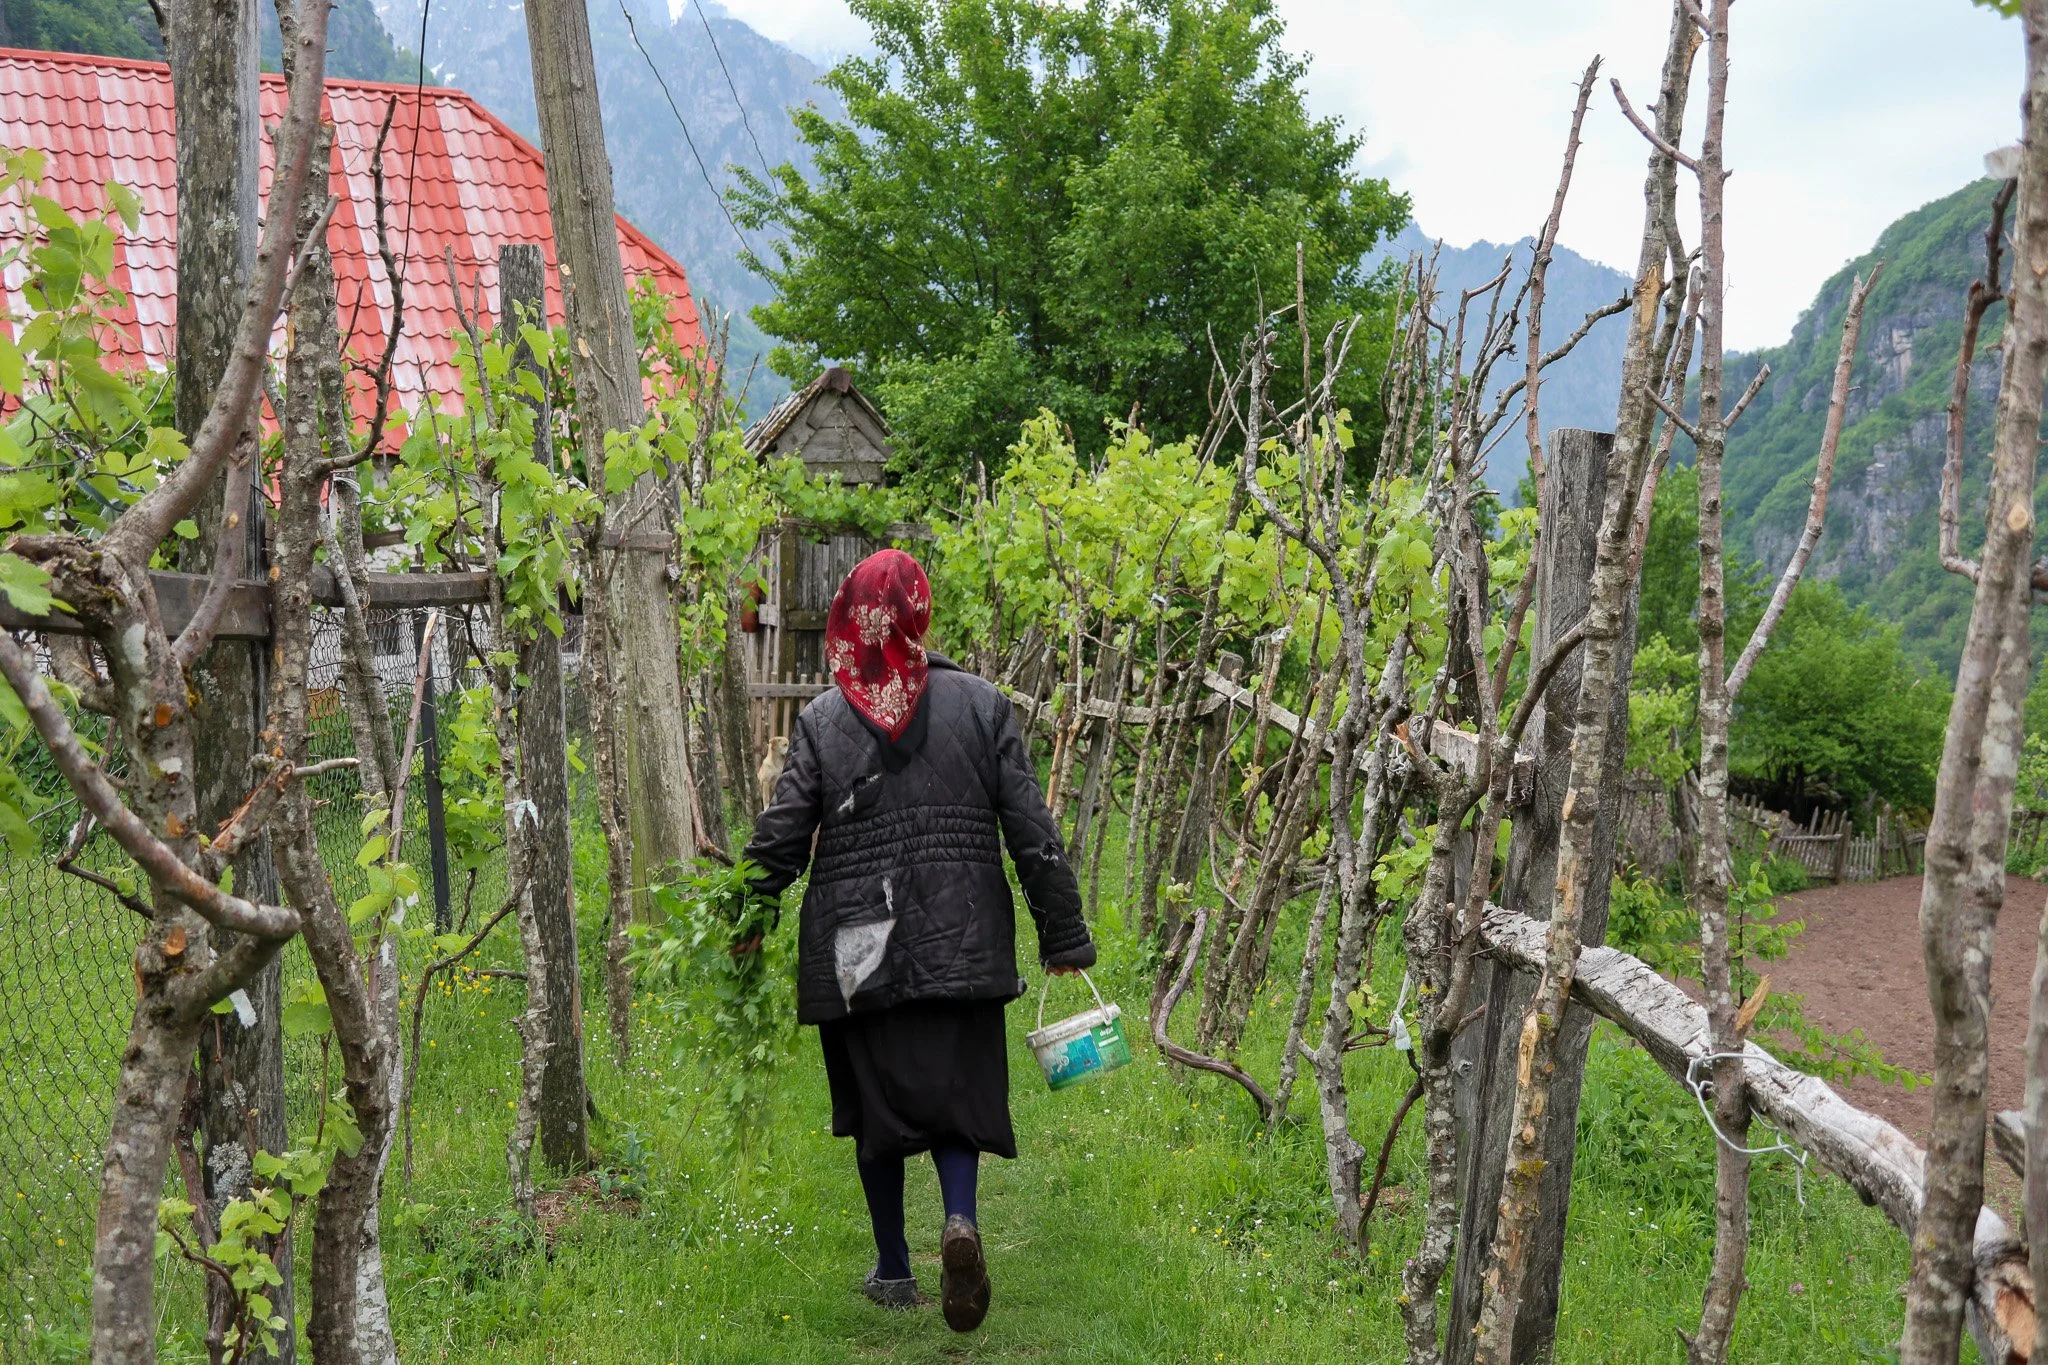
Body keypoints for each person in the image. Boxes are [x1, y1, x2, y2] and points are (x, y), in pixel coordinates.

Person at [741, 548, 1096, 1333]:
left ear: (849, 619)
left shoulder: (824, 719)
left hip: (857, 946)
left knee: (876, 1103)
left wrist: (747, 915)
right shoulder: (981, 704)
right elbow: (1030, 830)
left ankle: (895, 1267)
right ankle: (960, 1221)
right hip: (962, 931)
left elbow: (784, 831)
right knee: (957, 1095)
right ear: (920, 612)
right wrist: (1062, 931)